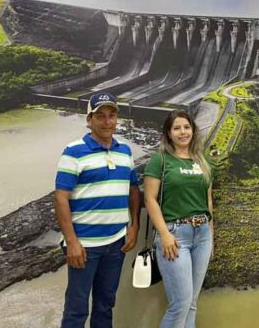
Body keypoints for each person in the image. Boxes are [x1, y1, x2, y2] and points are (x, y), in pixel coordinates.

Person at [54, 92, 141, 328]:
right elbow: (60, 197)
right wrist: (71, 241)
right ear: (89, 120)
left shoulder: (125, 151)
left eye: (111, 116)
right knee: (76, 309)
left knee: (105, 305)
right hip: (85, 246)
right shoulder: (73, 151)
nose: (107, 121)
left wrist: (134, 226)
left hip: (116, 244)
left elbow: (133, 189)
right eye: (100, 116)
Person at [144, 109, 214, 328]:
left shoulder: (202, 162)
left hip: (202, 234)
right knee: (180, 304)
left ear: (193, 130)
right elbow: (150, 200)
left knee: (192, 302)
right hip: (175, 236)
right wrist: (164, 234)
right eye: (177, 128)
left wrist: (212, 238)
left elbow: (208, 203)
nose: (183, 132)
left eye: (186, 127)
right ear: (168, 133)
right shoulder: (160, 161)